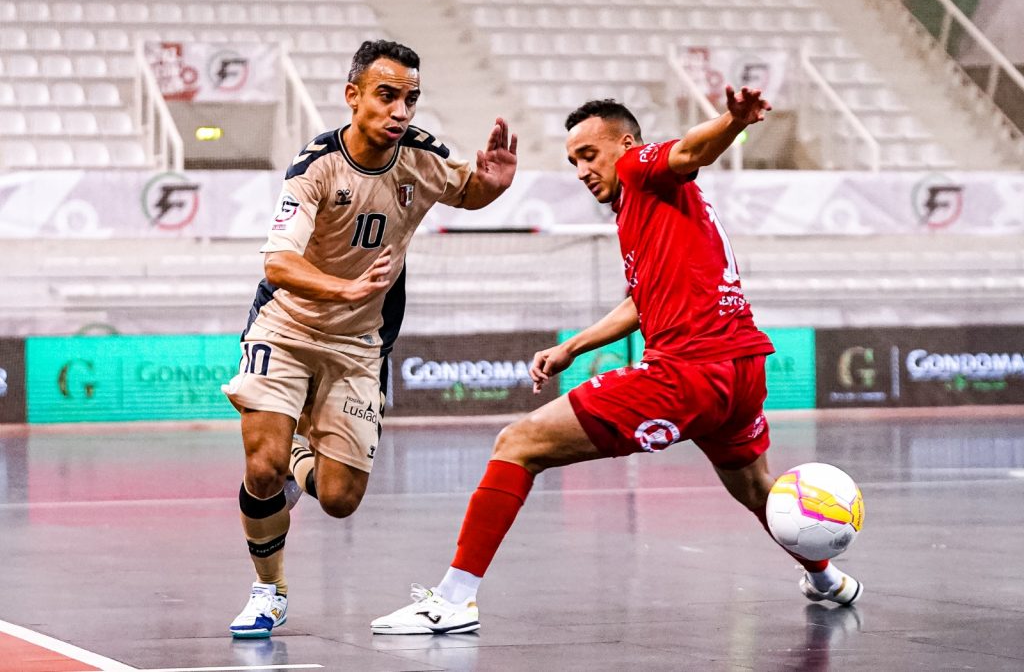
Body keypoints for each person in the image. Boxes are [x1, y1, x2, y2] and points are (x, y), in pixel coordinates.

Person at [371, 87, 862, 635]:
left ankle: (454, 599)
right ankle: (826, 577)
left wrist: (733, 121)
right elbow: (640, 302)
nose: (581, 170)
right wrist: (571, 347)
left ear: (626, 144)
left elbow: (689, 153)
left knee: (518, 444)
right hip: (742, 368)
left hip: (687, 371)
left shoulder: (638, 169)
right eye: (572, 161)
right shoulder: (646, 211)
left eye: (588, 154)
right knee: (754, 489)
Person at [222, 39, 518, 638]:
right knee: (262, 464)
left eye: (411, 98)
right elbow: (277, 264)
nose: (401, 111)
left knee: (339, 499)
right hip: (286, 325)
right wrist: (346, 288)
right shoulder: (315, 168)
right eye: (387, 96)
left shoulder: (421, 158)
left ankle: (299, 459)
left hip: (360, 344)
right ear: (353, 95)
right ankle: (269, 591)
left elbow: (469, 190)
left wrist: (494, 186)